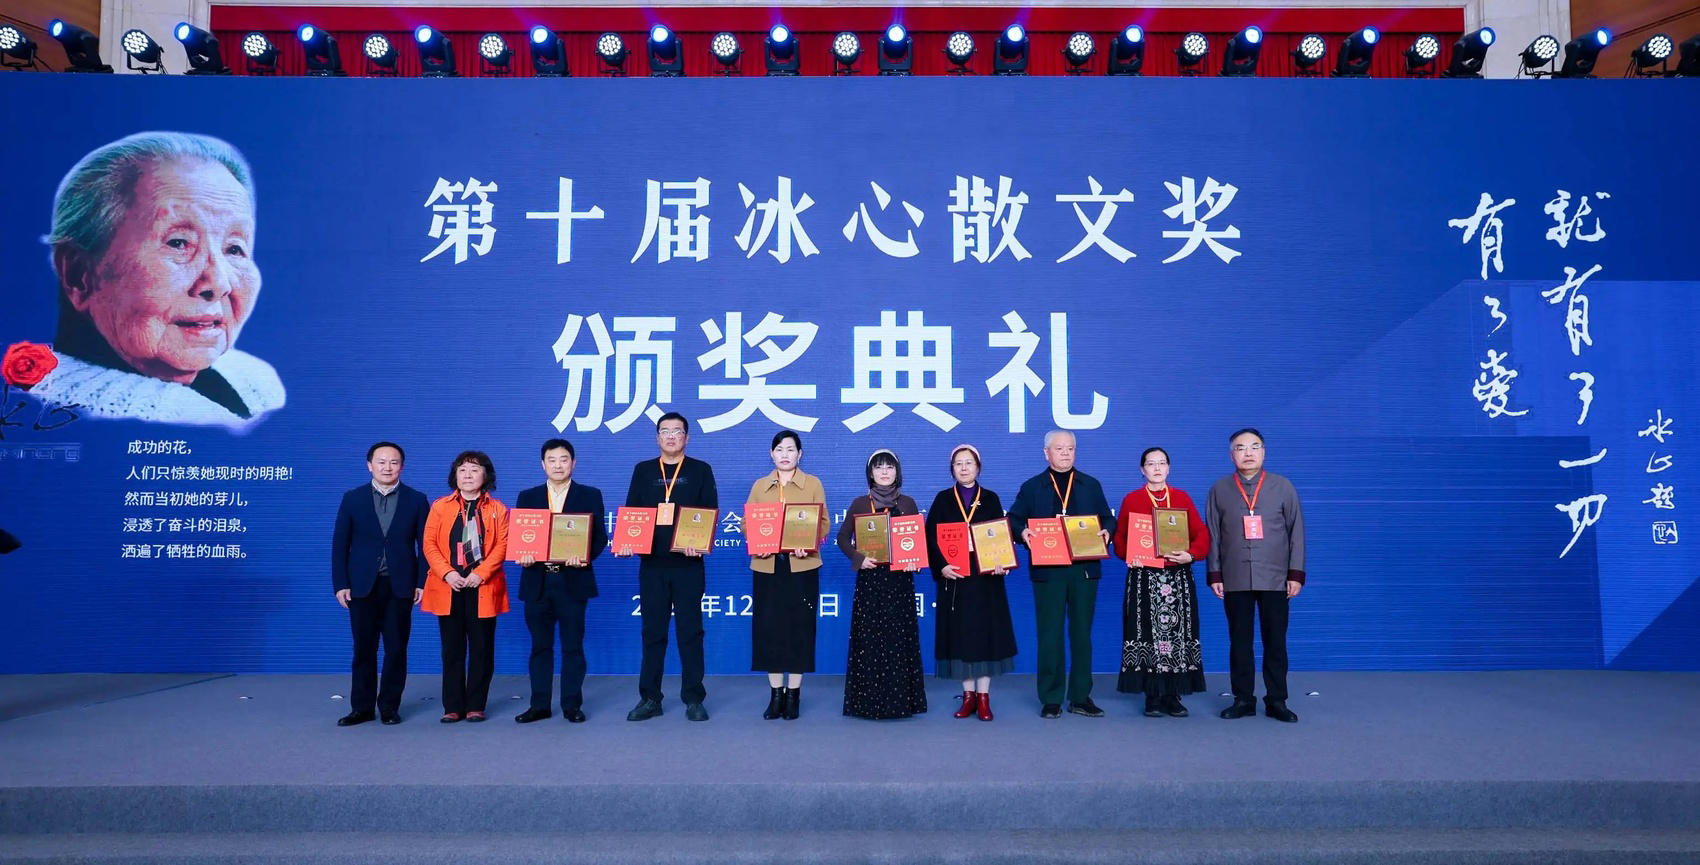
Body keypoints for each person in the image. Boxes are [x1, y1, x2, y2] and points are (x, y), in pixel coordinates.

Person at [29, 131, 285, 427]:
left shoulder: (257, 381)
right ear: (79, 275)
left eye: (234, 248)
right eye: (178, 243)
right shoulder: (57, 414)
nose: (219, 282)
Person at [1008, 430, 1115, 719]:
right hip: (1048, 570)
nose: (1066, 453)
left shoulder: (1090, 484)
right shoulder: (1032, 486)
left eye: (1070, 448)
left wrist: (1108, 531)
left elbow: (1108, 518)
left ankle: (1080, 696)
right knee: (1050, 634)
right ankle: (1051, 698)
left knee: (1082, 634)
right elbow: (1013, 519)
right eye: (1059, 448)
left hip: (1084, 569)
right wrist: (1023, 532)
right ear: (1047, 453)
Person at [620, 412, 718, 722]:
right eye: (665, 431)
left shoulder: (701, 470)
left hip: (688, 565)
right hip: (652, 566)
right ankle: (650, 698)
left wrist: (698, 542)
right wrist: (628, 542)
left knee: (691, 633)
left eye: (677, 431)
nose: (671, 436)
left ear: (687, 437)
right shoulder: (643, 470)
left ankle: (694, 698)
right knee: (653, 634)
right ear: (657, 438)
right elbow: (632, 513)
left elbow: (709, 511)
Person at [1205, 428, 1306, 723]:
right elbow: (1213, 535)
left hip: (1275, 577)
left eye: (1254, 446)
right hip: (1235, 576)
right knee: (1239, 641)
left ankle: (1277, 700)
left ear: (1264, 452)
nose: (1248, 453)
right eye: (1240, 448)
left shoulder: (1283, 486)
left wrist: (1295, 573)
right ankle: (1243, 699)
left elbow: (1296, 532)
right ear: (1231, 455)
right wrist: (1215, 574)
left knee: (1275, 641)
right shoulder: (1219, 489)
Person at [329, 442, 429, 726]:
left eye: (394, 462)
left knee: (396, 648)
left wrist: (421, 582)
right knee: (363, 649)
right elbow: (340, 544)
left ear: (402, 467)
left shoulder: (416, 499)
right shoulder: (353, 498)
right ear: (369, 465)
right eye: (381, 462)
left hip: (400, 585)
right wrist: (340, 583)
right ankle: (361, 708)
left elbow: (425, 546)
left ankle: (389, 706)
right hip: (361, 585)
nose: (387, 467)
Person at [513, 439, 607, 724]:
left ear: (573, 463)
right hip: (537, 581)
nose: (558, 465)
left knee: (572, 647)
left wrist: (584, 556)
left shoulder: (589, 495)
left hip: (572, 580)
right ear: (543, 465)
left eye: (563, 459)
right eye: (552, 460)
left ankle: (571, 704)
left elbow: (599, 537)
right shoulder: (528, 496)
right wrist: (523, 555)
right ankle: (539, 705)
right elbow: (521, 536)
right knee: (539, 647)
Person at [1112, 447, 1210, 718]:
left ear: (1169, 468)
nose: (1156, 468)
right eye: (1150, 464)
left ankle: (1173, 694)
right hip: (1144, 577)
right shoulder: (1132, 499)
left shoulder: (1181, 497)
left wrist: (1191, 554)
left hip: (1177, 576)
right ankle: (1152, 696)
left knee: (1177, 634)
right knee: (1145, 633)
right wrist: (1129, 555)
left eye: (1161, 463)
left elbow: (1201, 534)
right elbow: (1120, 538)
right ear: (1142, 470)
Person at [924, 444, 1017, 722]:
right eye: (958, 464)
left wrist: (1001, 562)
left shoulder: (990, 498)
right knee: (960, 638)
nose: (964, 468)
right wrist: (942, 566)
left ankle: (984, 698)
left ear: (978, 467)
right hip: (955, 578)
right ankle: (968, 696)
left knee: (986, 637)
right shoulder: (943, 499)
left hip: (986, 579)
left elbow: (999, 535)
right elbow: (930, 538)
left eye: (969, 463)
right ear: (951, 469)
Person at [746, 430, 830, 721]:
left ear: (800, 454)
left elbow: (824, 523)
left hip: (802, 566)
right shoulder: (760, 486)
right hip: (768, 566)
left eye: (791, 449)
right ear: (771, 454)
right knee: (768, 629)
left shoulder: (813, 484)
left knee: (799, 628)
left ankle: (793, 695)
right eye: (779, 449)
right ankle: (775, 696)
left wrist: (809, 541)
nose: (785, 454)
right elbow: (746, 523)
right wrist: (758, 540)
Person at [838, 450, 928, 720]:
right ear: (871, 473)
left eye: (890, 467)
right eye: (879, 467)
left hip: (900, 582)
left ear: (897, 472)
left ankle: (901, 703)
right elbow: (842, 538)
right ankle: (867, 703)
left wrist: (915, 562)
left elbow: (917, 542)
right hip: (870, 580)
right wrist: (858, 558)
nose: (885, 472)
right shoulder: (859, 504)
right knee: (869, 641)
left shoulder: (908, 503)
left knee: (899, 640)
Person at [422, 451, 510, 723]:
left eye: (474, 469)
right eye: (462, 470)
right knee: (452, 649)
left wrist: (481, 573)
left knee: (482, 649)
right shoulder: (440, 506)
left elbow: (503, 546)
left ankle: (475, 705)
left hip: (483, 587)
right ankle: (452, 706)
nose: (468, 475)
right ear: (455, 476)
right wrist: (447, 573)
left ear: (486, 475)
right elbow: (429, 544)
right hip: (450, 586)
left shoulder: (498, 509)